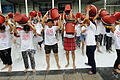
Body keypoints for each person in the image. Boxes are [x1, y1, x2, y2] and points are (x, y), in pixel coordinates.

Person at [81, 7, 97, 74]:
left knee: (92, 57)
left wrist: (87, 11)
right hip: (88, 44)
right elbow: (83, 33)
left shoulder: (93, 27)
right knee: (87, 54)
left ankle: (93, 70)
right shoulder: (87, 27)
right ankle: (89, 62)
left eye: (88, 22)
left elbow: (87, 19)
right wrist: (83, 31)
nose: (86, 23)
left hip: (92, 45)